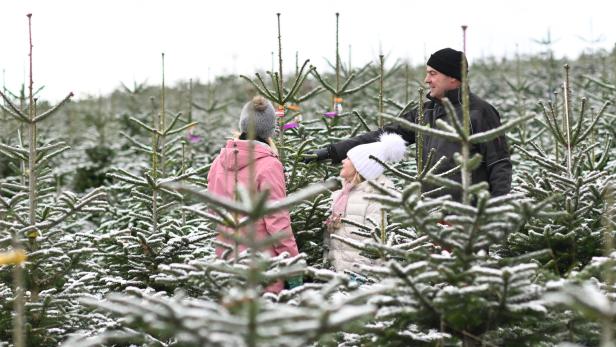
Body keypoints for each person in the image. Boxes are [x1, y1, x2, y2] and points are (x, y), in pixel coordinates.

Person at [306, 48, 511, 202]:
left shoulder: (479, 112)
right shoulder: (427, 112)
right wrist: (332, 151)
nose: (426, 79)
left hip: (467, 217)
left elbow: (498, 163)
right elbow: (384, 135)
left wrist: (492, 214)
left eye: (433, 73)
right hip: (430, 212)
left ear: (453, 78)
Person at [207, 96, 301, 293]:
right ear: (270, 130)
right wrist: (293, 267)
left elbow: (213, 210)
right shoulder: (269, 165)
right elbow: (278, 222)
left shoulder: (218, 162)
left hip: (226, 261)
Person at [325, 133, 406, 273]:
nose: (343, 161)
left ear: (360, 166)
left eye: (348, 158)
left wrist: (359, 275)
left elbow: (373, 242)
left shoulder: (375, 197)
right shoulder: (339, 195)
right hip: (336, 275)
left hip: (359, 277)